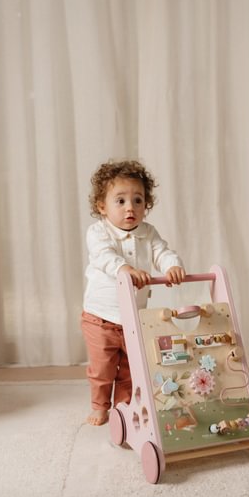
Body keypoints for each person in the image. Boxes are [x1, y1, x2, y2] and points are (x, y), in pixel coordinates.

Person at [81, 160, 185, 426]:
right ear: (102, 206)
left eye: (138, 200)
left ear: (145, 205)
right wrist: (125, 269)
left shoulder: (148, 233)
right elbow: (104, 256)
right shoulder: (98, 232)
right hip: (100, 318)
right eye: (121, 201)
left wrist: (172, 266)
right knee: (103, 368)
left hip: (133, 318)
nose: (130, 207)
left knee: (132, 367)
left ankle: (123, 407)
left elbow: (162, 251)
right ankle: (100, 405)